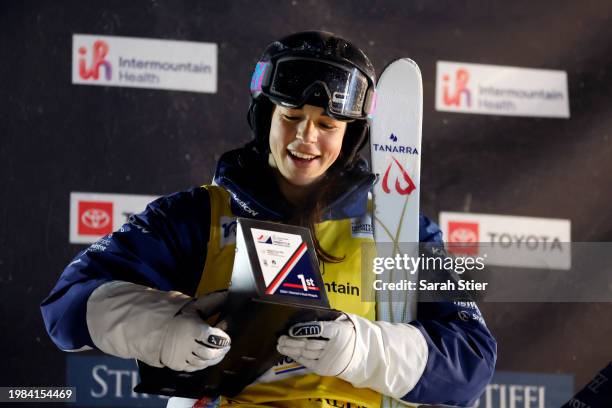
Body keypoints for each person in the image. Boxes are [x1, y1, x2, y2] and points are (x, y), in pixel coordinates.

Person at [41, 31, 496, 408]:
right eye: (292, 117)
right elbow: (66, 305)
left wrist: (361, 349)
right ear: (265, 117)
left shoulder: (402, 229)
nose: (305, 138)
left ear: (351, 136)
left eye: (327, 126)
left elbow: (471, 360)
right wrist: (166, 329)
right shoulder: (199, 215)